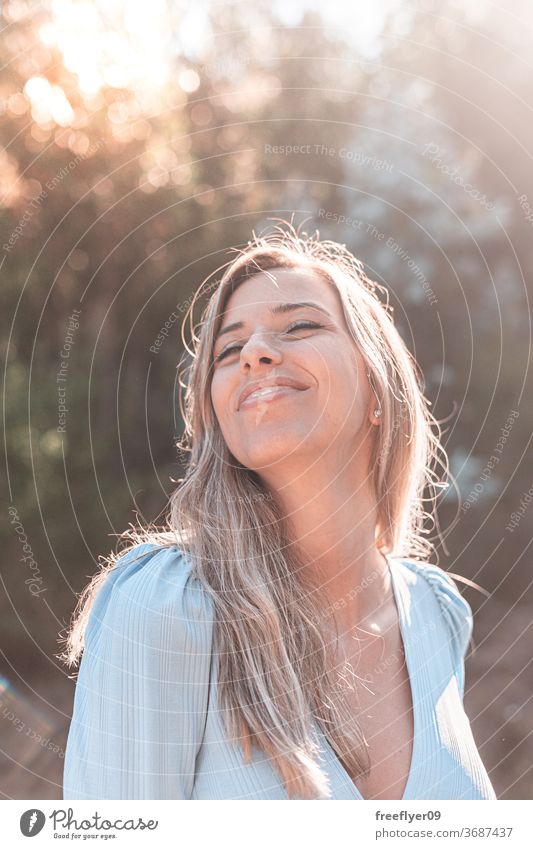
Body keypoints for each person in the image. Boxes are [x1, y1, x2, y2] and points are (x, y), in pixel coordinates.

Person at [59, 222, 496, 800]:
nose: (256, 354)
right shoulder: (168, 610)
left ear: (376, 387)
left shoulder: (438, 616)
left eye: (301, 325)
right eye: (229, 349)